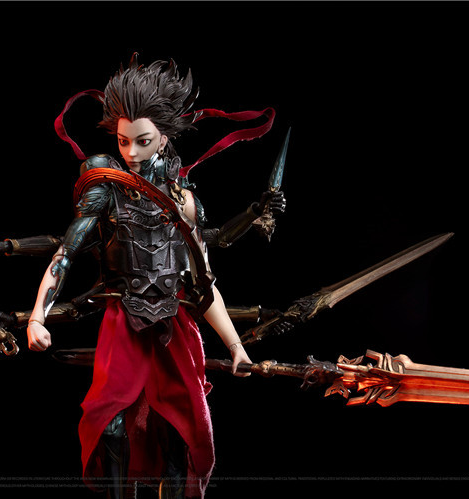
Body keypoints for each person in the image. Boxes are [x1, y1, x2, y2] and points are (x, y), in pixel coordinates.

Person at [25, 57, 282, 499]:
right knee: (111, 425)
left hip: (174, 325)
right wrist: (37, 318)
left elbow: (203, 285)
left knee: (180, 431)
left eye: (142, 142)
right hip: (123, 320)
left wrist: (236, 348)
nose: (131, 153)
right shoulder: (105, 188)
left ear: (163, 137)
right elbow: (65, 254)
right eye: (123, 141)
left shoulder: (184, 201)